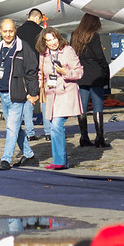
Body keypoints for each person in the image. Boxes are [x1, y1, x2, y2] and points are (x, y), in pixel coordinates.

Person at [0, 19, 39, 170]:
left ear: (15, 31)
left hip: (17, 94)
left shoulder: (23, 48)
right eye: (5, 31)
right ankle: (29, 155)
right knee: (14, 128)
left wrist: (34, 93)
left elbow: (31, 71)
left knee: (11, 128)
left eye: (11, 31)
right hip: (2, 94)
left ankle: (5, 159)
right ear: (0, 31)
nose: (8, 34)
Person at [36, 27, 83, 169]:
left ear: (58, 37)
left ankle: (60, 161)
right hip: (51, 94)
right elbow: (41, 74)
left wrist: (65, 72)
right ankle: (61, 161)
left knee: (56, 125)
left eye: (54, 38)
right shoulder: (43, 54)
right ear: (44, 42)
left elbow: (79, 72)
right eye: (48, 40)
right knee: (53, 127)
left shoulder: (68, 51)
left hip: (66, 92)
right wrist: (37, 89)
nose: (52, 43)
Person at [70, 13, 111, 148]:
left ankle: (84, 136)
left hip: (81, 74)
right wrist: (106, 70)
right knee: (98, 106)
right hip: (95, 74)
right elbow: (100, 56)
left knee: (82, 107)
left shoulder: (74, 35)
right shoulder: (94, 36)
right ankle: (99, 137)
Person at [15, 8, 45, 141]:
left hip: (22, 68)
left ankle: (29, 132)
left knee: (28, 101)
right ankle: (49, 131)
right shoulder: (40, 32)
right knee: (44, 99)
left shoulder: (18, 31)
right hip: (38, 67)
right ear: (38, 18)